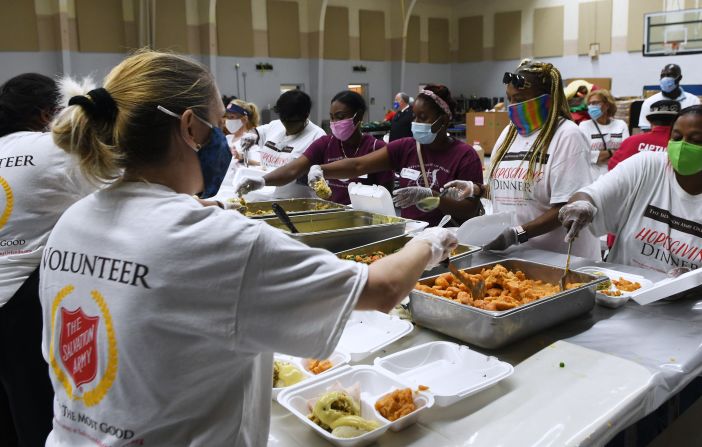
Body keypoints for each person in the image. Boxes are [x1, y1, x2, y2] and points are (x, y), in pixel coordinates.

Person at [43, 49, 457, 447]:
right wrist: (428, 242)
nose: (224, 136)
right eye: (219, 123)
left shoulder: (72, 221)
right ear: (190, 128)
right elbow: (382, 288)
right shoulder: (213, 238)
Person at [0, 73, 94, 446]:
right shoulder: (55, 150)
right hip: (27, 304)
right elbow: (121, 196)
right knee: (42, 412)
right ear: (45, 114)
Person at [444, 60, 600, 259]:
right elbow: (515, 192)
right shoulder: (509, 133)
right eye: (509, 98)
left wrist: (518, 233)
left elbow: (567, 207)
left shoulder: (567, 135)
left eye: (520, 98)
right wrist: (477, 189)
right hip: (517, 254)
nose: (513, 106)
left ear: (547, 99)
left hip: (557, 257)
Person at [297, 84, 482, 226]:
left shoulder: (465, 156)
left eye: (423, 118)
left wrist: (435, 197)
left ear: (443, 120)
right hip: (414, 236)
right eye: (415, 117)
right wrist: (320, 169)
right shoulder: (405, 148)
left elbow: (469, 210)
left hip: (450, 239)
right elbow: (358, 165)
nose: (416, 123)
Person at [560, 105, 702, 273]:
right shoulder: (647, 165)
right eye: (677, 138)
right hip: (620, 289)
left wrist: (695, 283)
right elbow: (591, 194)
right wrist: (582, 205)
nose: (683, 146)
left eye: (697, 140)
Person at [235, 91, 393, 204]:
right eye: (331, 117)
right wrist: (262, 181)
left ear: (358, 116)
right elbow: (292, 170)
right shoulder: (326, 143)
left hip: (368, 219)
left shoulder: (377, 148)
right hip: (333, 214)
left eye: (340, 117)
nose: (335, 122)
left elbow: (386, 194)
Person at [239, 90, 326, 199]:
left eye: (292, 121)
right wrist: (251, 136)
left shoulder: (317, 136)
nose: (286, 125)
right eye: (283, 119)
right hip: (266, 196)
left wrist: (262, 181)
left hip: (297, 202)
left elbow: (293, 171)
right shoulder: (276, 125)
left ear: (306, 115)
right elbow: (257, 132)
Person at [609, 99, 680, 170]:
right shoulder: (683, 145)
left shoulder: (631, 142)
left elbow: (613, 168)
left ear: (650, 121)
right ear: (679, 121)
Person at [578, 89, 629, 180]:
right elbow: (584, 155)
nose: (591, 107)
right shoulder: (584, 126)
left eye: (595, 103)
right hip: (593, 178)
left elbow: (626, 152)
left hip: (616, 176)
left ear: (607, 105)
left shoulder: (621, 125)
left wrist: (600, 155)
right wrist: (612, 152)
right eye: (589, 104)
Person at [638, 64, 700, 131]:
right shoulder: (650, 102)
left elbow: (696, 126)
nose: (665, 79)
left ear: (679, 78)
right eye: (662, 76)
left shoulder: (693, 100)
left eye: (670, 75)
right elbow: (646, 129)